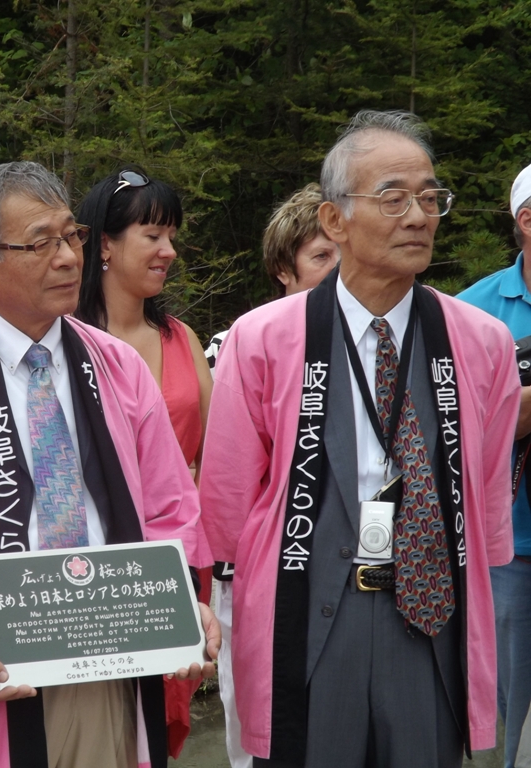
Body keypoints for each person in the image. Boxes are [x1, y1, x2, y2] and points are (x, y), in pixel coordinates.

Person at [0, 161, 219, 768]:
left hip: (114, 650)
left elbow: (170, 506)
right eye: (40, 242)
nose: (66, 258)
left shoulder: (117, 366)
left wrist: (180, 596)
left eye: (71, 236)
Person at [200, 110, 519, 767]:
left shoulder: (481, 343)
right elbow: (227, 507)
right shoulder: (261, 340)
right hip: (308, 604)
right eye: (394, 197)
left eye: (431, 197)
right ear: (334, 221)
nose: (419, 215)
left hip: (430, 614)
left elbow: (485, 503)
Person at [74, 169, 213, 758]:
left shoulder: (182, 338)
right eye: (153, 235)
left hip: (176, 553)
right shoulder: (64, 343)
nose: (169, 251)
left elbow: (214, 454)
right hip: (95, 568)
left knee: (159, 726)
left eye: (172, 236)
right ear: (104, 244)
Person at [204, 182, 340, 768]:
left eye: (344, 253)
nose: (338, 270)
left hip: (350, 568)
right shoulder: (237, 343)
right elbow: (230, 478)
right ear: (284, 268)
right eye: (321, 257)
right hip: (259, 570)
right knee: (258, 728)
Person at [456, 162, 531, 768]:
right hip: (514, 552)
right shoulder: (472, 314)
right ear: (526, 220)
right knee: (511, 719)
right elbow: (450, 434)